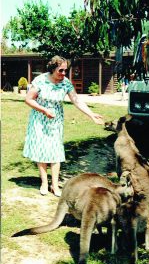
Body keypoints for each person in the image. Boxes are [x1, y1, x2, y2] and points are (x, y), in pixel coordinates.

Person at [23, 55, 104, 197]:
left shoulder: (66, 83)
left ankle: (55, 185)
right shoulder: (40, 80)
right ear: (53, 69)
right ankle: (44, 183)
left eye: (65, 70)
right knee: (41, 150)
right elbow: (28, 99)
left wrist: (91, 114)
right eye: (61, 70)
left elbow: (76, 100)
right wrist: (44, 110)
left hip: (56, 121)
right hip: (39, 119)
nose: (63, 73)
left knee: (55, 151)